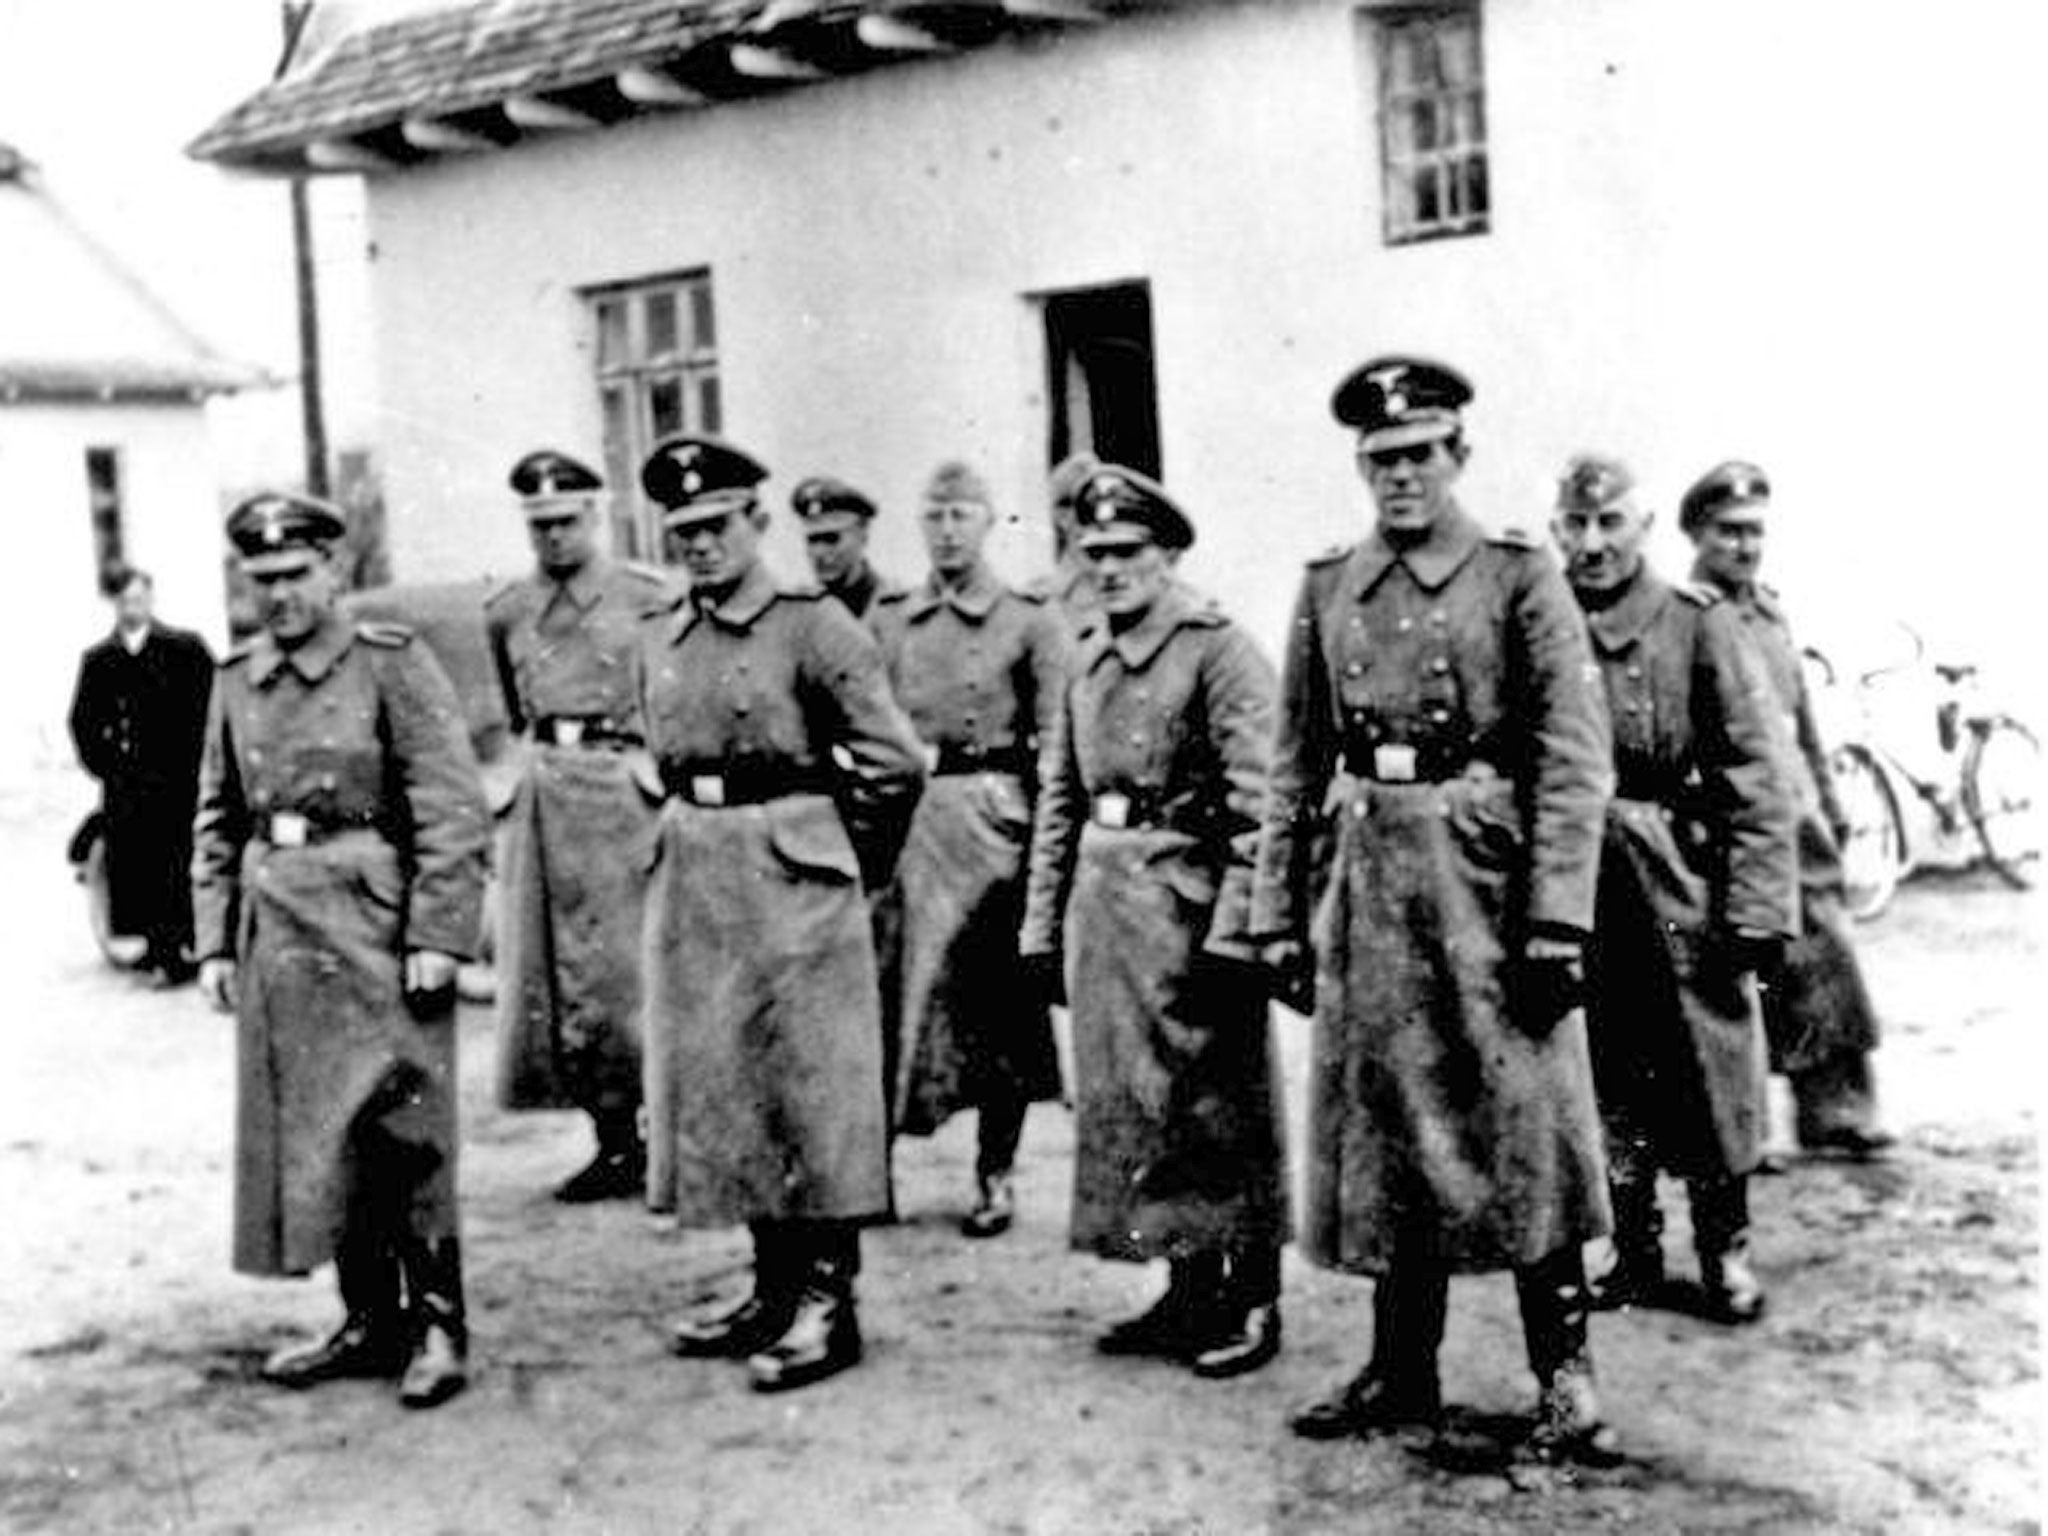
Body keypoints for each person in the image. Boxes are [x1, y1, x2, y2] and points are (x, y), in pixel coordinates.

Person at [1250, 357, 1617, 1459]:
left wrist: (1557, 920)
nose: (1398, 477)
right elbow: (1289, 765)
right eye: (1378, 460)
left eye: (1417, 456)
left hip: (1485, 888)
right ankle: (1398, 1369)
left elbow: (1569, 756)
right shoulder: (1327, 586)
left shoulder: (1516, 576)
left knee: (1522, 1126)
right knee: (1384, 1130)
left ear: (1456, 455)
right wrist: (1275, 913)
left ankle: (1564, 1377)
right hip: (1368, 887)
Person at [637, 433, 926, 1393]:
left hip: (795, 874)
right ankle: (769, 1289)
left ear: (756, 523)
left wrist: (849, 864)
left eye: (718, 526)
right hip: (701, 877)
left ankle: (826, 1303)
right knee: (732, 1081)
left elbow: (893, 763)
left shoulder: (814, 627)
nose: (702, 546)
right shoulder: (664, 630)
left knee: (812, 1089)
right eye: (684, 532)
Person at [192, 492, 489, 1410]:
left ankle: (439, 1322)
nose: (278, 596)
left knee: (404, 1129)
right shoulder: (237, 678)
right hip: (279, 926)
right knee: (319, 1133)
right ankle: (369, 1320)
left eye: (294, 575)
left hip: (373, 924)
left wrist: (440, 934)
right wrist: (214, 944)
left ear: (336, 571)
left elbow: (450, 806)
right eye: (262, 579)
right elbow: (215, 818)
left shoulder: (389, 665)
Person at [1019, 463, 1288, 1381]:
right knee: (1138, 1111)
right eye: (1092, 552)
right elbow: (1061, 798)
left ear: (1168, 554)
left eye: (1128, 551)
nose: (1108, 567)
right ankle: (1182, 1287)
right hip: (1108, 913)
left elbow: (1264, 806)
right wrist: (1040, 928)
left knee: (1217, 1111)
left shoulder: (1220, 652)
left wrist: (1244, 932)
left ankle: (1250, 1296)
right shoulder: (1085, 654)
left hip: (1191, 913)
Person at [1552, 454, 1797, 1324]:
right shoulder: (1543, 621)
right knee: (1604, 1070)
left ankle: (1723, 1245)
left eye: (1609, 523)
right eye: (1575, 526)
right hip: (1576, 878)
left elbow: (1759, 774)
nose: (1591, 543)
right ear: (1556, 531)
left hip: (1682, 879)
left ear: (1643, 528)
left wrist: (1759, 908)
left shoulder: (1695, 623)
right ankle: (1634, 1246)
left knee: (1709, 1066)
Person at [870, 461, 1067, 1238]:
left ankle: (995, 1171)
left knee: (999, 1010)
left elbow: (1058, 738)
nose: (948, 529)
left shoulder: (1028, 620)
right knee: (893, 1000)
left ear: (989, 523)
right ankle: (871, 1170)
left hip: (996, 826)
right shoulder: (891, 622)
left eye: (962, 513)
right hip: (910, 822)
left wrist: (1040, 830)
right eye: (935, 514)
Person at [1682, 462, 1893, 1161]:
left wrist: (1830, 812)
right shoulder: (1683, 616)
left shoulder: (1770, 614)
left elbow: (1803, 727)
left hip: (1797, 820)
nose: (1743, 547)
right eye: (1728, 533)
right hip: (1729, 820)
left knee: (1823, 958)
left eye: (1753, 533)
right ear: (1696, 534)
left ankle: (1836, 1111)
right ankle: (1743, 1133)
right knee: (1732, 973)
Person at [485, 449, 671, 1202]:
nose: (553, 539)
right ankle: (612, 1141)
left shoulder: (644, 598)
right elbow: (512, 708)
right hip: (546, 795)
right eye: (539, 527)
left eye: (565, 522)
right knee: (560, 977)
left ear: (595, 515)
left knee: (631, 974)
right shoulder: (507, 610)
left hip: (622, 792)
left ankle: (663, 1140)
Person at [66, 566, 215, 983]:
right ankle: (159, 949)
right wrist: (106, 766)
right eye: (126, 600)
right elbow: (82, 721)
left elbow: (211, 706)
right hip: (127, 785)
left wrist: (200, 760)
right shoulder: (100, 659)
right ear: (115, 604)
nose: (134, 607)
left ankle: (191, 945)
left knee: (181, 858)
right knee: (140, 864)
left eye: (141, 599)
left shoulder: (184, 648)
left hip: (178, 779)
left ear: (152, 600)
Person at [791, 475, 904, 621]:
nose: (820, 552)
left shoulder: (897, 609)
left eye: (831, 538)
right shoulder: (800, 612)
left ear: (862, 537)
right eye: (813, 540)